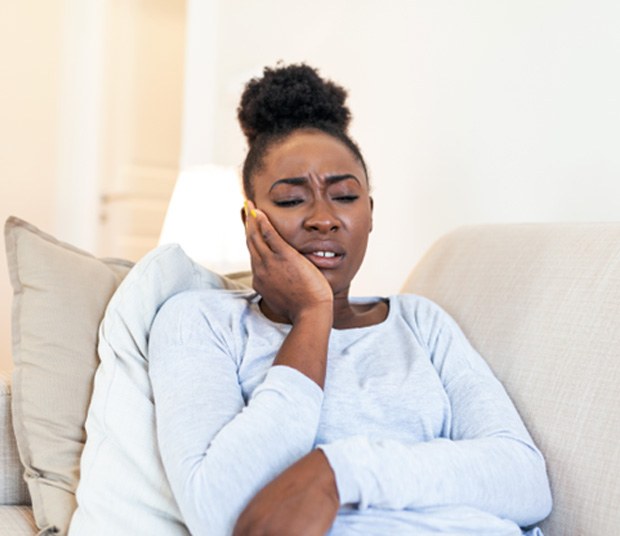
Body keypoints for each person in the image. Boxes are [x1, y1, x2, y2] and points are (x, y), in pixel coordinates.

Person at [148, 63, 552, 536]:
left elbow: (525, 482)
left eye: (344, 195)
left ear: (370, 212)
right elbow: (220, 511)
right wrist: (312, 315)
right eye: (291, 200)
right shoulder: (201, 320)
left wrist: (338, 472)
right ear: (250, 220)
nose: (324, 218)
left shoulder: (420, 322)